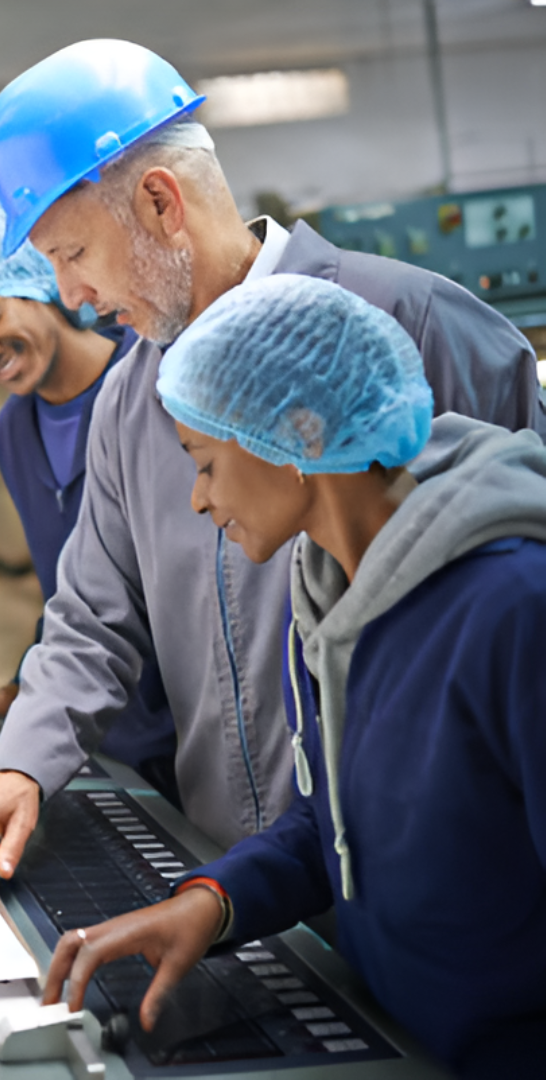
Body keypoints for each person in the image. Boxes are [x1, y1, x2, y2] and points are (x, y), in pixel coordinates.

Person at [0, 39, 545, 897]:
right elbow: (93, 617)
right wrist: (18, 769)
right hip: (240, 883)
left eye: (71, 254)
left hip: (450, 893)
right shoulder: (130, 402)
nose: (70, 296)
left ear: (161, 203)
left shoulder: (411, 321)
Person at [42, 273, 546, 1079]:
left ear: (299, 436)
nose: (198, 501)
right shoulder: (327, 594)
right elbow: (339, 823)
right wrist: (208, 904)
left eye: (202, 464)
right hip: (398, 1037)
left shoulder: (512, 609)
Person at [0, 200, 178, 797]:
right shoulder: (14, 433)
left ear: (35, 280)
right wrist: (25, 688)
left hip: (192, 737)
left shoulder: (156, 383)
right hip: (102, 741)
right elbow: (69, 591)